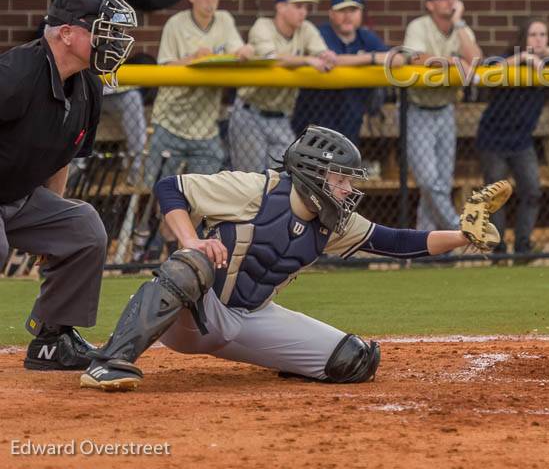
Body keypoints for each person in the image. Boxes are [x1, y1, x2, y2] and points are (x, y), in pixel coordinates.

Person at [79, 125, 511, 391]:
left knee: (355, 361)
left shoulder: (334, 222)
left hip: (249, 317)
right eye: (341, 179)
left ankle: (286, 359)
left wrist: (463, 236)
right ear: (314, 172)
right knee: (191, 264)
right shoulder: (257, 189)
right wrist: (191, 240)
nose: (347, 190)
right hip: (194, 313)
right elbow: (170, 188)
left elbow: (397, 242)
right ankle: (110, 362)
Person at [0, 0, 137, 371]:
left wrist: (50, 227)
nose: (115, 38)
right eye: (102, 28)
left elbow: (61, 158)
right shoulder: (16, 73)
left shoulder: (89, 86)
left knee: (81, 228)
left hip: (17, 194)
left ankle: (52, 338)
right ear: (66, 33)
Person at [476, 17, 549, 258]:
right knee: (496, 195)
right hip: (493, 140)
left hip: (522, 141)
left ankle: (523, 245)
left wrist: (545, 52)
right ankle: (498, 249)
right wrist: (523, 57)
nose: (538, 39)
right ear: (523, 38)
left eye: (543, 35)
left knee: (532, 190)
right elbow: (485, 72)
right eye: (533, 35)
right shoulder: (508, 61)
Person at [145, 0, 254, 183]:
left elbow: (237, 51)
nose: (210, 1)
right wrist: (193, 59)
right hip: (170, 123)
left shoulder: (224, 20)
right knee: (157, 194)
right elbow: (163, 70)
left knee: (202, 199)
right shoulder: (175, 24)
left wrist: (245, 51)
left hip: (206, 128)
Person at [402, 0, 483, 231]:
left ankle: (429, 246)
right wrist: (452, 61)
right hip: (418, 111)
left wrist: (459, 24)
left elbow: (476, 60)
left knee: (441, 184)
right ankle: (461, 232)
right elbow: (416, 58)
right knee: (428, 182)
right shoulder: (419, 26)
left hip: (446, 110)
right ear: (430, 4)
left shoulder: (461, 29)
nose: (450, 1)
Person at [230, 0, 336, 173]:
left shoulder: (306, 29)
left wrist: (327, 56)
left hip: (280, 116)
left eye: (305, 7)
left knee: (286, 175)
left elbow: (322, 54)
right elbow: (273, 60)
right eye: (297, 6)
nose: (303, 12)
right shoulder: (262, 26)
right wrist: (307, 60)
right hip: (249, 112)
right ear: (280, 7)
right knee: (250, 180)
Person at [292, 0, 403, 146]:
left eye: (353, 10)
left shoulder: (365, 36)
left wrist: (365, 57)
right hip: (316, 117)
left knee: (343, 166)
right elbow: (331, 60)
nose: (348, 16)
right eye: (342, 10)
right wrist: (370, 58)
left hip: (351, 117)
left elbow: (397, 59)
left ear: (361, 13)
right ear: (331, 13)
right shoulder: (321, 33)